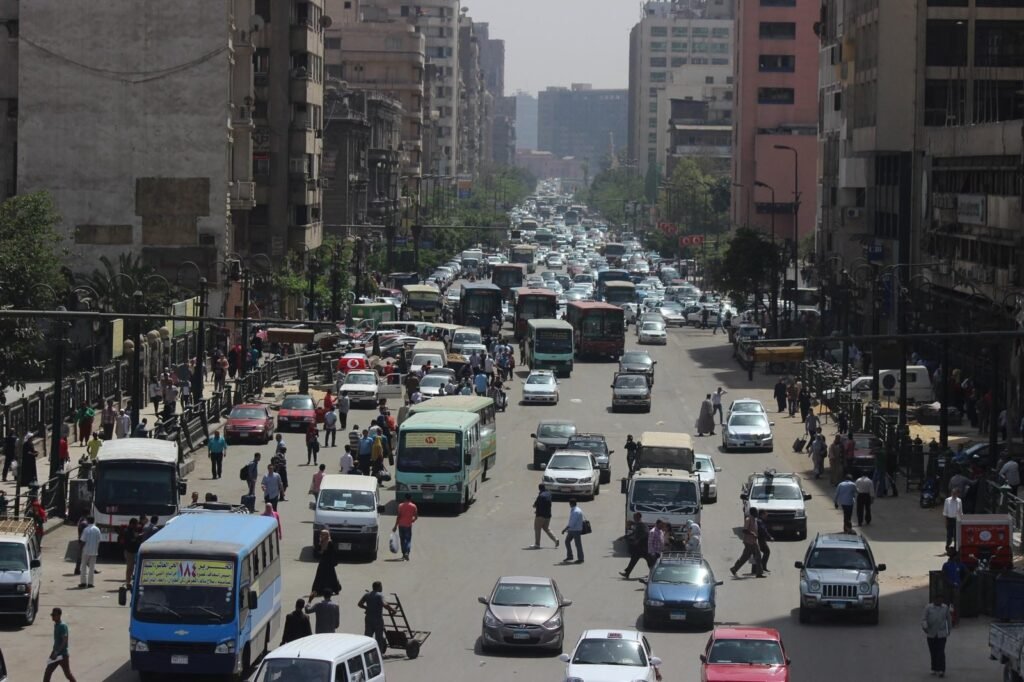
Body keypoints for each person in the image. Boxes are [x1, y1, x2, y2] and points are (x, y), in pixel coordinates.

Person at [358, 581, 396, 654]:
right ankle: (378, 654)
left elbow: (359, 604)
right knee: (378, 638)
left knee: (367, 637)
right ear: (378, 587)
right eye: (381, 586)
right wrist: (393, 610)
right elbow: (385, 604)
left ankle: (365, 653)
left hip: (368, 618)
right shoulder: (379, 595)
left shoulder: (367, 595)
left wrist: (367, 608)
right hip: (377, 620)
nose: (382, 588)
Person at [44, 608, 78, 682]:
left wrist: (57, 652)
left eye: (54, 615)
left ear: (59, 615)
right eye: (52, 615)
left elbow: (64, 641)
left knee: (68, 674)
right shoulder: (56, 624)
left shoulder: (62, 626)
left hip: (62, 655)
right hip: (55, 653)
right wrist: (54, 652)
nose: (52, 617)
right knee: (48, 672)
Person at [922, 594, 952, 677]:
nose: (940, 602)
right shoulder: (928, 608)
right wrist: (925, 627)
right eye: (938, 600)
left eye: (941, 600)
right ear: (934, 600)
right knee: (933, 652)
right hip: (931, 633)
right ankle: (934, 668)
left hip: (941, 634)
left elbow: (948, 619)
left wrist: (949, 629)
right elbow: (924, 619)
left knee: (941, 652)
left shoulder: (945, 608)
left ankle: (941, 670)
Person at [730, 508, 764, 578]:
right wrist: (752, 533)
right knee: (751, 557)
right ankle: (759, 573)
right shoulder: (748, 519)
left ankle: (735, 569)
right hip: (749, 542)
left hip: (753, 542)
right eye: (756, 512)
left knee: (754, 556)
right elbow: (744, 530)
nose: (757, 514)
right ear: (753, 513)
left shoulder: (755, 520)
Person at [312, 529, 342, 596]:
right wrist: (320, 552)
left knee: (331, 576)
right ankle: (318, 590)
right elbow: (318, 551)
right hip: (322, 562)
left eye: (323, 534)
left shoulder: (330, 543)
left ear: (327, 535)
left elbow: (331, 553)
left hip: (328, 563)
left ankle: (335, 589)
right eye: (321, 534)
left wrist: (323, 552)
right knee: (320, 576)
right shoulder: (321, 542)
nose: (321, 535)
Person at [620, 512, 650, 579]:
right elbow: (633, 533)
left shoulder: (642, 525)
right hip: (640, 548)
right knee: (633, 559)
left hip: (644, 547)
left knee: (650, 562)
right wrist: (624, 537)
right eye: (634, 517)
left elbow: (646, 534)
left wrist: (638, 539)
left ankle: (653, 574)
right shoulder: (639, 524)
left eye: (635, 517)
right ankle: (627, 573)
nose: (634, 518)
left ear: (638, 517)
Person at [530, 484, 559, 549]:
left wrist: (535, 508)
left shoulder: (540, 496)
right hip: (548, 515)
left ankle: (537, 544)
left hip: (540, 516)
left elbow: (535, 505)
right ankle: (555, 539)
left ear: (539, 489)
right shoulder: (549, 494)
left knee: (537, 529)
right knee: (546, 528)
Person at [941, 549, 965, 621]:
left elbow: (967, 573)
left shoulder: (959, 565)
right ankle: (947, 619)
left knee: (956, 604)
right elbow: (943, 575)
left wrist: (961, 583)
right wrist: (949, 582)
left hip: (956, 587)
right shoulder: (946, 565)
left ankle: (956, 620)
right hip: (948, 587)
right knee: (947, 603)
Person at [394, 493, 418, 560]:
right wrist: (412, 520)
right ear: (411, 498)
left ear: (405, 498)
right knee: (408, 540)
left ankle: (404, 553)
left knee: (402, 540)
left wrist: (395, 526)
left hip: (401, 525)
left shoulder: (400, 505)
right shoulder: (414, 506)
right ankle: (407, 552)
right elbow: (416, 516)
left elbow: (398, 516)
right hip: (408, 525)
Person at [561, 498, 586, 564]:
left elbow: (572, 523)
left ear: (571, 504)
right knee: (567, 541)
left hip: (576, 530)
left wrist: (565, 529)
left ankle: (581, 559)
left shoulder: (576, 512)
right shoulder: (576, 510)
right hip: (573, 530)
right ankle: (570, 556)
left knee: (578, 544)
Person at [79, 517, 101, 588]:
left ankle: (83, 582)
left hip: (86, 551)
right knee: (92, 567)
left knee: (83, 567)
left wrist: (80, 549)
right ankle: (90, 583)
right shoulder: (97, 529)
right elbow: (99, 541)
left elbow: (83, 541)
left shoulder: (86, 530)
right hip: (94, 551)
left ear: (88, 521)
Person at [122, 518, 141, 587]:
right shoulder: (127, 531)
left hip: (134, 551)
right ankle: (128, 582)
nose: (137, 525)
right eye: (136, 524)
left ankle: (132, 581)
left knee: (134, 567)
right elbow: (131, 540)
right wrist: (137, 537)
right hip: (129, 551)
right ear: (132, 524)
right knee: (130, 568)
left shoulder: (133, 530)